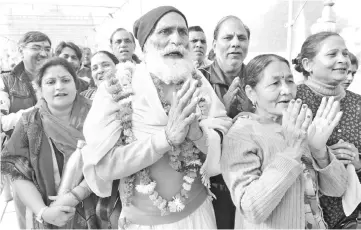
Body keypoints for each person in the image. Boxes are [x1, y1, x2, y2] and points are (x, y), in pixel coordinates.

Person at [81, 6, 231, 229]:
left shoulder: (197, 81)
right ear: (145, 43)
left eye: (182, 32)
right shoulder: (119, 86)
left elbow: (224, 135)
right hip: (144, 222)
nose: (176, 39)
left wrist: (198, 135)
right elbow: (104, 165)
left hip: (199, 214)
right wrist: (165, 139)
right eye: (165, 31)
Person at [222, 54, 347, 229]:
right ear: (251, 93)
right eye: (275, 83)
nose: (286, 90)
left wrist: (319, 152)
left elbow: (338, 189)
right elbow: (251, 210)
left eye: (289, 81)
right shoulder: (241, 134)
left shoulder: (298, 125)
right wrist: (292, 152)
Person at [0, 57, 97, 229]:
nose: (59, 86)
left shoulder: (97, 116)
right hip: (44, 210)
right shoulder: (29, 122)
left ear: (76, 84)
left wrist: (75, 195)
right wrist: (43, 212)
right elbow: (17, 172)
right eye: (51, 82)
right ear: (40, 89)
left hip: (94, 206)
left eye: (66, 80)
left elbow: (110, 162)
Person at [293, 31, 361, 228]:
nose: (342, 59)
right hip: (302, 216)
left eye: (345, 54)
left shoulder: (357, 103)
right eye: (332, 54)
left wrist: (357, 163)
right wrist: (321, 155)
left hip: (351, 221)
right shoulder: (292, 99)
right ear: (308, 65)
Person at [199, 15, 252, 229]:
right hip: (212, 183)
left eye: (241, 38)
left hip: (252, 180)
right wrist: (223, 108)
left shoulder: (259, 78)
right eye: (228, 37)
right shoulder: (198, 79)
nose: (235, 43)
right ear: (214, 44)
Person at [0, 31, 52, 229]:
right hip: (22, 159)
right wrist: (35, 110)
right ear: (21, 50)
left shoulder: (53, 76)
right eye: (36, 47)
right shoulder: (6, 81)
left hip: (53, 153)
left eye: (47, 48)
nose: (43, 53)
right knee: (28, 213)